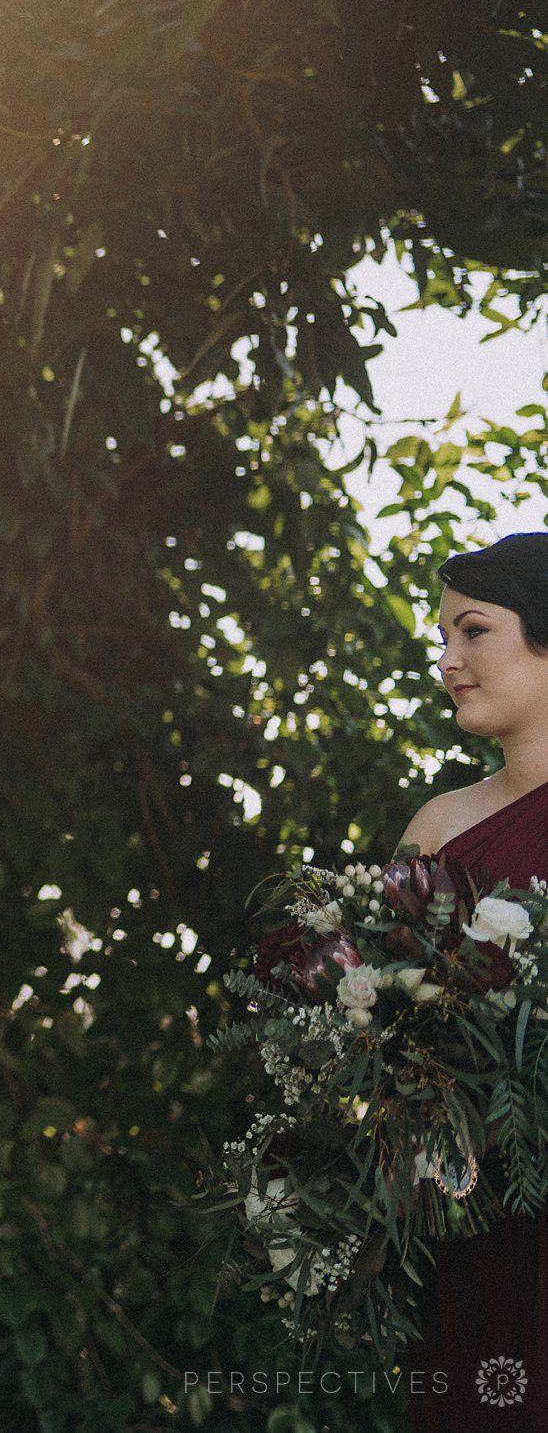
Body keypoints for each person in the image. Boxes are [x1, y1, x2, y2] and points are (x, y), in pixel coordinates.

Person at [400, 532, 548, 1431]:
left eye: (475, 631)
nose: (448, 661)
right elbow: (383, 1029)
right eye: (443, 637)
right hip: (471, 1216)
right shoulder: (439, 826)